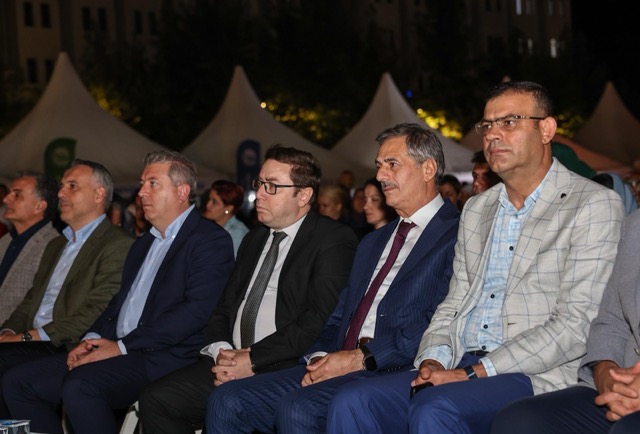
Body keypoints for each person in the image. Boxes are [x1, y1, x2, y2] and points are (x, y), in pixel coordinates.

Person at [325, 81, 625, 434]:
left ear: (546, 129)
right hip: (462, 359)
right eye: (487, 125)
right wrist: (433, 359)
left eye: (509, 122)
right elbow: (454, 303)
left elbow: (575, 324)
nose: (493, 134)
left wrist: (473, 373)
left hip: (533, 372)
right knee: (354, 401)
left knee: (435, 407)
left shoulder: (591, 204)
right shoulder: (478, 209)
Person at [207, 122, 460, 434]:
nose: (380, 175)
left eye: (392, 164)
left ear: (428, 169)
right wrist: (318, 357)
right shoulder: (373, 241)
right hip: (340, 360)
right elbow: (338, 315)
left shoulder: (456, 233)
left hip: (393, 366)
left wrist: (361, 358)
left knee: (298, 408)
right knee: (227, 400)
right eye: (379, 165)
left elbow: (441, 320)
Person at [2, 151, 235, 434]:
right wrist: (90, 339)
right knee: (18, 382)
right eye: (142, 183)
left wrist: (122, 346)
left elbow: (195, 312)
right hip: (123, 348)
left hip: (166, 355)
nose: (141, 192)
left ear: (182, 191)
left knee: (81, 385)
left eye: (152, 183)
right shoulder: (144, 243)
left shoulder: (209, 240)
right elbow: (118, 304)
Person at [138, 145, 359, 434]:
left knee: (226, 401)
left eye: (272, 186)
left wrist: (252, 359)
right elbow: (224, 306)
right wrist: (222, 351)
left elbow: (317, 320)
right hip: (232, 358)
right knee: (156, 399)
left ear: (303, 195)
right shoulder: (254, 239)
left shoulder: (332, 239)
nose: (260, 194)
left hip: (285, 363)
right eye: (260, 183)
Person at [0, 160, 134, 418]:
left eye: (72, 186)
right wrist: (8, 331)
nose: (61, 193)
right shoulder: (56, 245)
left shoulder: (118, 244)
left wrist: (25, 337)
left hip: (69, 343)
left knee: (11, 374)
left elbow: (97, 310)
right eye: (62, 186)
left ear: (99, 195)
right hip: (35, 342)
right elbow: (31, 301)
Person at [490, 208, 640, 434]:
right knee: (518, 421)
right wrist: (607, 374)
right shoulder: (636, 225)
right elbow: (612, 320)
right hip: (623, 386)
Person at [0, 171, 59, 324]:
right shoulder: (6, 240)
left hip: (16, 333)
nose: (6, 199)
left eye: (17, 195)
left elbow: (44, 309)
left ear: (39, 206)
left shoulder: (53, 246)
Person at [204, 180, 249, 256]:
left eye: (214, 202)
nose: (208, 205)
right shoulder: (210, 227)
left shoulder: (237, 233)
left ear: (228, 208)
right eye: (209, 199)